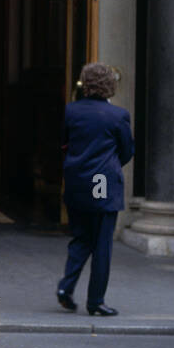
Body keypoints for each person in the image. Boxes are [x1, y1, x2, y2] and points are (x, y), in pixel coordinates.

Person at [58, 63, 133, 317]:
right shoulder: (118, 115)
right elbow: (127, 151)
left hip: (77, 183)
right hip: (103, 185)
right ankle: (96, 301)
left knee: (80, 239)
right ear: (110, 85)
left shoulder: (71, 111)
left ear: (85, 83)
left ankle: (65, 288)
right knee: (102, 244)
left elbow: (64, 143)